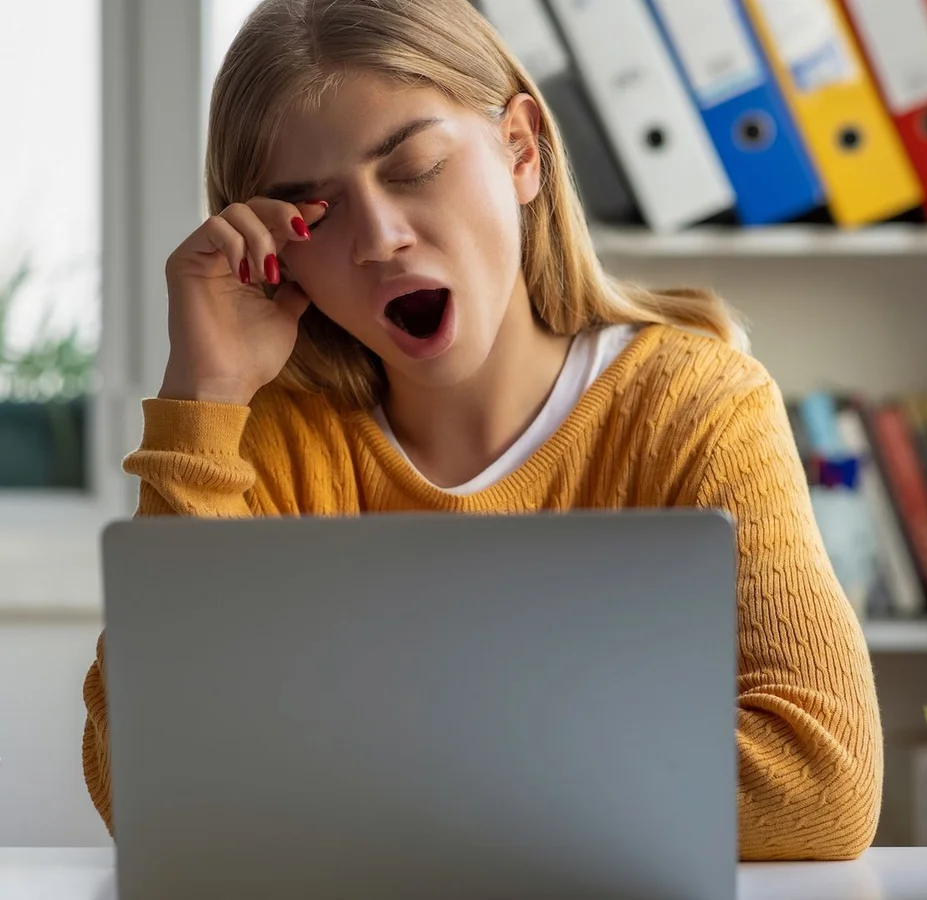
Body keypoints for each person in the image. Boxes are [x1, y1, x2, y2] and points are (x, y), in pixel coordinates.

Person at [81, 0, 883, 861]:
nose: (379, 239)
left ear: (522, 150)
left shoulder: (696, 407)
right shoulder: (262, 442)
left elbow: (822, 784)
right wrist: (201, 397)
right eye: (314, 213)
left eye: (415, 168)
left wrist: (341, 776)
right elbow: (152, 790)